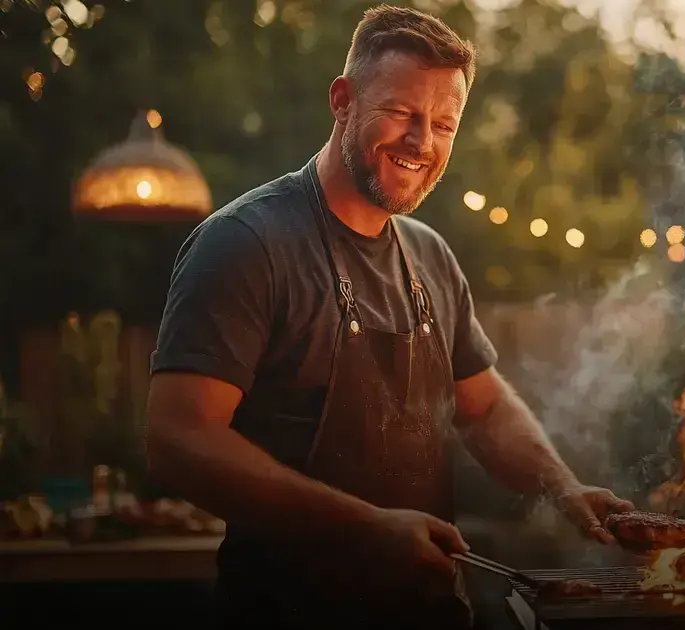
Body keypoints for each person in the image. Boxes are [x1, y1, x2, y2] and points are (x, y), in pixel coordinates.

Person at [145, 5, 634, 628]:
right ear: (343, 100)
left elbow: (483, 409)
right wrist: (365, 528)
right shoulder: (247, 244)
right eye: (402, 113)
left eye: (443, 123)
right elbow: (178, 439)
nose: (421, 142)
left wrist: (564, 490)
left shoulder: (430, 255)